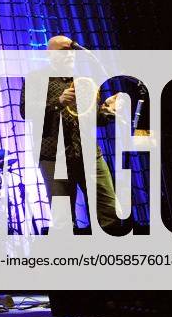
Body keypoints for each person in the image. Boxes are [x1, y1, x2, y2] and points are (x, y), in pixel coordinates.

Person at [20, 35, 121, 233]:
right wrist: (58, 101)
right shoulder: (37, 78)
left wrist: (107, 111)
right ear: (50, 55)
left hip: (89, 153)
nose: (70, 55)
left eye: (73, 51)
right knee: (64, 218)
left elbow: (91, 117)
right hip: (53, 157)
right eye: (64, 51)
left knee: (109, 210)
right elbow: (26, 111)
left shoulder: (83, 80)